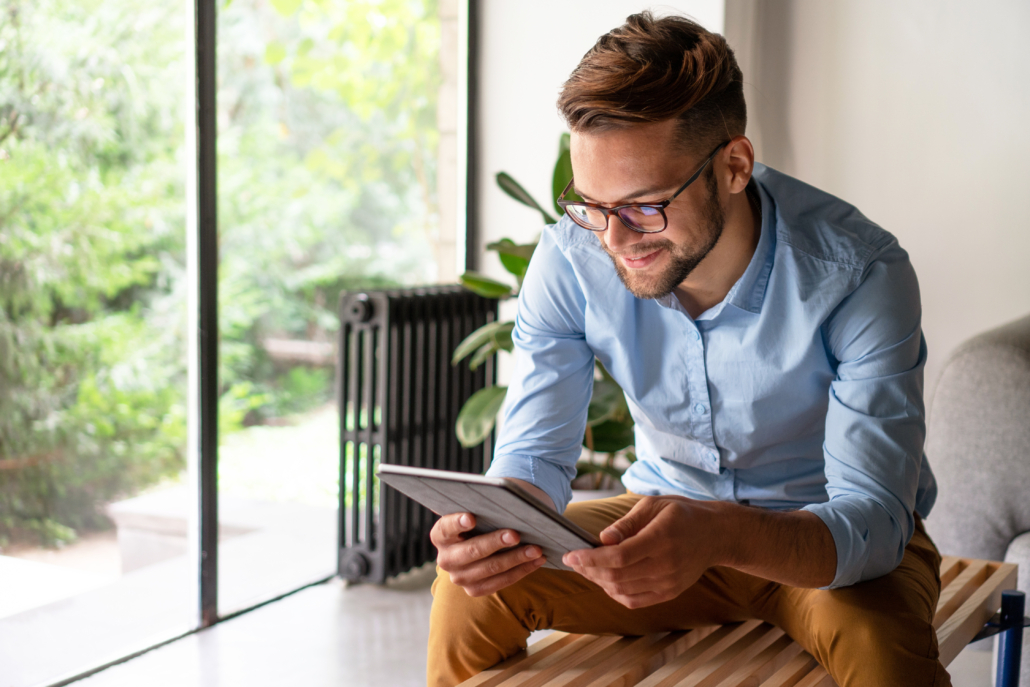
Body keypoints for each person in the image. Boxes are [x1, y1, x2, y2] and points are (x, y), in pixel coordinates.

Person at [427, 11, 946, 687]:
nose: (613, 238)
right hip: (658, 526)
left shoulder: (859, 273)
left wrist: (722, 533)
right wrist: (493, 530)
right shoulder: (571, 255)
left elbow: (873, 522)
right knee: (469, 595)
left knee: (886, 657)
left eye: (645, 205)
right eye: (592, 204)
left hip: (823, 543)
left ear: (733, 165)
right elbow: (532, 457)